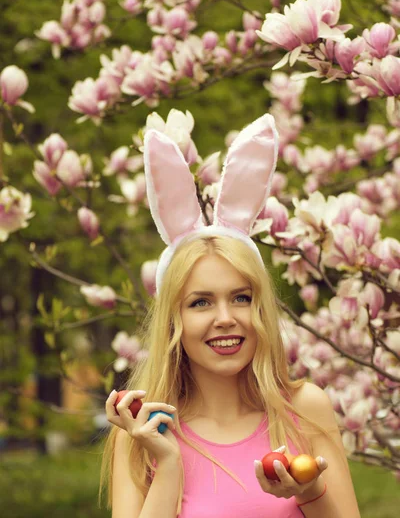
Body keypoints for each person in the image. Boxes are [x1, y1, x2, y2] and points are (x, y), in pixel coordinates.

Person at [99, 115, 361, 518]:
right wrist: (168, 465)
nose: (225, 318)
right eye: (200, 302)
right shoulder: (140, 433)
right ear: (173, 320)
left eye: (241, 298)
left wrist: (311, 492)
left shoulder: (305, 409)